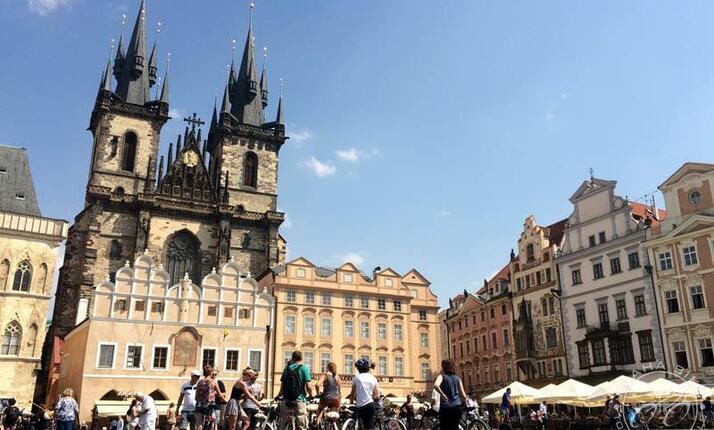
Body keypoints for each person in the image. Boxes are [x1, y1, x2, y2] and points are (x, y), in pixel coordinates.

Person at [275, 351, 313, 430]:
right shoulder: (303, 368)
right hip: (299, 399)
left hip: (287, 399)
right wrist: (311, 395)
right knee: (301, 424)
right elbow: (308, 386)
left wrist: (278, 396)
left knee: (284, 422)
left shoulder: (286, 369)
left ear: (292, 358)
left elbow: (282, 388)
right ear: (301, 358)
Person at [432, 360, 467, 430]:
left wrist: (443, 395)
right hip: (457, 407)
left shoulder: (441, 376)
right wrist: (465, 405)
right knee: (455, 427)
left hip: (446, 408)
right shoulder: (457, 378)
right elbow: (463, 395)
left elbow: (436, 385)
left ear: (444, 368)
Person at [347, 358, 380, 430]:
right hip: (370, 405)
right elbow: (377, 395)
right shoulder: (373, 378)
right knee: (369, 427)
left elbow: (352, 393)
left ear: (358, 369)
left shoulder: (356, 378)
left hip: (360, 407)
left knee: (357, 422)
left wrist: (351, 401)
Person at [195, 366, 226, 430]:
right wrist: (224, 401)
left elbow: (196, 396)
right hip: (209, 405)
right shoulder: (213, 382)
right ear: (211, 373)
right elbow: (220, 395)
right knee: (210, 425)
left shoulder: (199, 382)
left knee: (199, 425)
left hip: (199, 404)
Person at [315, 362, 341, 427]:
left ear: (327, 368)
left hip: (326, 398)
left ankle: (317, 425)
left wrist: (318, 393)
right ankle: (334, 425)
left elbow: (317, 385)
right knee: (334, 414)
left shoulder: (325, 375)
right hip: (336, 399)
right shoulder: (337, 377)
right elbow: (339, 391)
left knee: (320, 410)